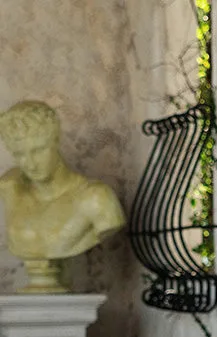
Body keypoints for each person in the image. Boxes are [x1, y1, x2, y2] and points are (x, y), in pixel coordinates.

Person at [0, 100, 125, 293]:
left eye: (38, 150)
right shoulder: (11, 188)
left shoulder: (96, 199)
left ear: (56, 140)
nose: (30, 164)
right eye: (19, 155)